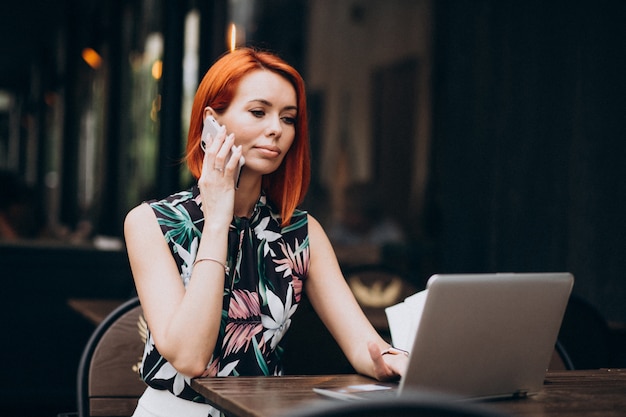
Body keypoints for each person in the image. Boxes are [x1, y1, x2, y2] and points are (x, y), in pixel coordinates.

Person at [124, 47, 408, 417]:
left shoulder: (303, 233)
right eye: (259, 112)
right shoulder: (151, 223)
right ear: (212, 121)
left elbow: (362, 346)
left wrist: (390, 359)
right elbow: (190, 358)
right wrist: (217, 216)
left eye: (288, 118)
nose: (276, 129)